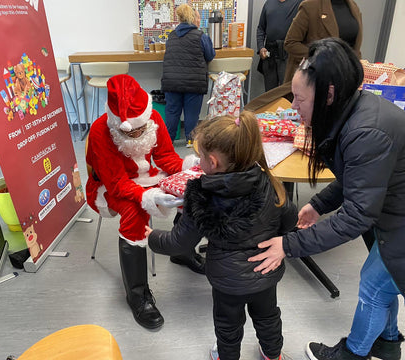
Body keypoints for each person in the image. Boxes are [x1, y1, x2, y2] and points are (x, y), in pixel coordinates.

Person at [249, 37, 405, 360]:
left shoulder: (365, 133)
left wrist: (287, 245)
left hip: (399, 218)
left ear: (328, 95)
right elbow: (360, 180)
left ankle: (354, 353)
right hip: (392, 208)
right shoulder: (353, 113)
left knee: (374, 284)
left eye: (301, 100)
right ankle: (387, 342)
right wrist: (318, 204)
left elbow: (356, 216)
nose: (294, 108)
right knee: (383, 278)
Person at [145, 112, 298, 360]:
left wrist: (152, 236)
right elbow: (290, 220)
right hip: (266, 273)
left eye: (201, 157)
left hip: (227, 282)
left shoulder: (201, 196)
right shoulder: (269, 182)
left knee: (228, 326)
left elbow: (179, 243)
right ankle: (273, 355)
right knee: (269, 317)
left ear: (213, 162)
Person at [85, 74, 205, 330]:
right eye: (133, 131)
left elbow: (165, 157)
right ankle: (137, 295)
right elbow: (116, 182)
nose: (139, 134)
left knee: (191, 191)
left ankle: (182, 252)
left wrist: (190, 165)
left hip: (146, 177)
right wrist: (146, 197)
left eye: (142, 129)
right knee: (134, 214)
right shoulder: (99, 131)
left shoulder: (153, 119)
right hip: (111, 185)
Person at [161, 3, 215, 146]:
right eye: (198, 18)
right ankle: (190, 140)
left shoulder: (171, 36)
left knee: (172, 112)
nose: (199, 21)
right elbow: (210, 55)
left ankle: (168, 142)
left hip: (171, 82)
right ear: (193, 19)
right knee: (191, 113)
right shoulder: (201, 36)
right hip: (193, 82)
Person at [283, 0, 362, 83]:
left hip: (344, 80)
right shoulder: (310, 6)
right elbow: (291, 43)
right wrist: (322, 59)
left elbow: (354, 46)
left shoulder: (354, 7)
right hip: (312, 79)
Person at [256, 0, 302, 91]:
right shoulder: (268, 3)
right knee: (269, 92)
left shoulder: (299, 3)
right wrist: (261, 47)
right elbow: (261, 28)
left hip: (287, 53)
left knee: (286, 91)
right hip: (270, 52)